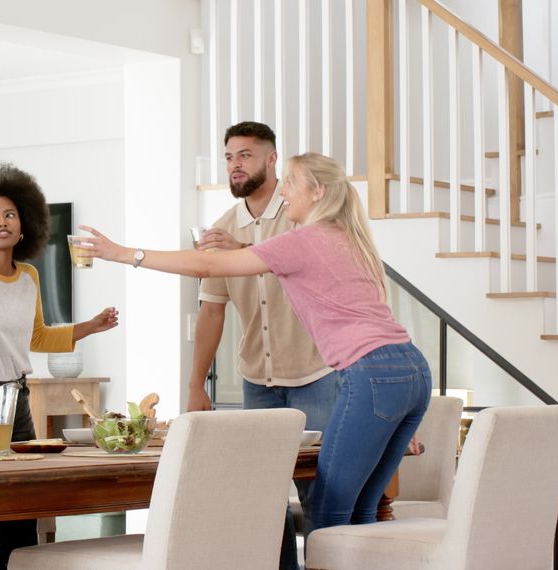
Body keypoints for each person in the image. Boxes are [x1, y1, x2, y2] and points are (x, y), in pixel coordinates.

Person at [80, 152, 431, 533]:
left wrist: (122, 254)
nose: (283, 192)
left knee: (329, 513)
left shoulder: (303, 240)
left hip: (370, 374)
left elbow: (207, 266)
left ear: (318, 192)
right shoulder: (349, 239)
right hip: (412, 371)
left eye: (292, 183)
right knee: (362, 510)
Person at [0, 162, 119, 569]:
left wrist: (91, 327)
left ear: (24, 224)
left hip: (17, 402)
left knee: (18, 512)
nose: (2, 222)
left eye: (10, 214)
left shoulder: (28, 276)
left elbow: (37, 338)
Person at [188, 122, 339, 569]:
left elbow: (305, 266)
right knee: (261, 500)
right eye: (230, 157)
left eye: (247, 155)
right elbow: (212, 311)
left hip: (317, 375)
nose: (236, 165)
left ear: (272, 159)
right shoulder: (219, 228)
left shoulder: (302, 213)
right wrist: (197, 384)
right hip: (258, 382)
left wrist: (245, 247)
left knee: (321, 495)